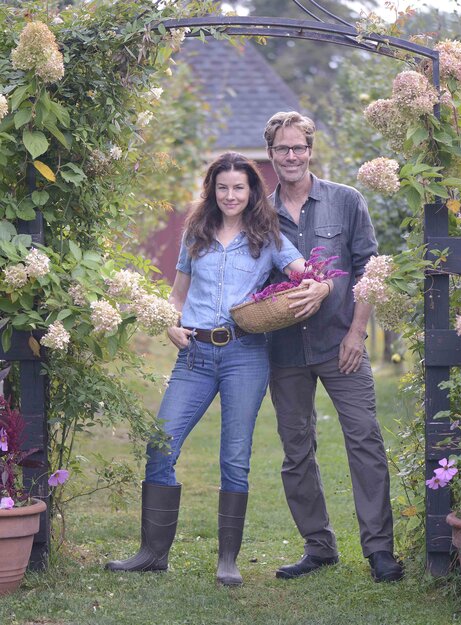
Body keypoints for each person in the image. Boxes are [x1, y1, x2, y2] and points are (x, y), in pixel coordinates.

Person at [105, 152, 309, 586]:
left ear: (251, 190)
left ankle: (227, 560)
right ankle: (152, 553)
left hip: (245, 354)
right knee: (161, 443)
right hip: (194, 355)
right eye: (223, 187)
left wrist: (314, 282)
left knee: (234, 458)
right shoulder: (195, 233)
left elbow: (302, 272)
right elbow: (177, 297)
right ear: (212, 190)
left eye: (239, 187)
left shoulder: (266, 234)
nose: (230, 195)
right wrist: (170, 325)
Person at [263, 111, 404, 583]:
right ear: (270, 154)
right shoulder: (259, 213)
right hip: (284, 351)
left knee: (364, 439)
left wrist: (356, 333)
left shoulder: (346, 201)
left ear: (311, 148)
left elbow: (370, 269)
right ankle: (318, 546)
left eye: (298, 146)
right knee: (296, 449)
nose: (291, 155)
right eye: (282, 148)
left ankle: (379, 550)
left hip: (340, 343)